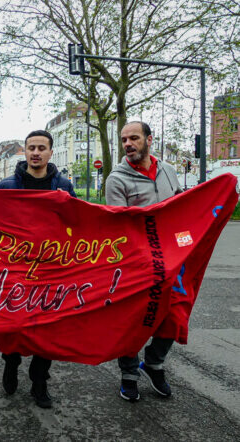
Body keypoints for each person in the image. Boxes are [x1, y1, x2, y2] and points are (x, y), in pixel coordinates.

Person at [0, 129, 77, 409]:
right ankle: (11, 362)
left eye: (42, 148)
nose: (36, 152)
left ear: (50, 152)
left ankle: (39, 379)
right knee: (13, 324)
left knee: (48, 328)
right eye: (31, 147)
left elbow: (77, 225)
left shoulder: (64, 187)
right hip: (16, 268)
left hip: (51, 270)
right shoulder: (7, 186)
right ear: (25, 151)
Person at [105, 121, 182, 402]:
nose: (128, 144)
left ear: (149, 140)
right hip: (136, 262)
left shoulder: (169, 170)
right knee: (134, 320)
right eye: (124, 139)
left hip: (172, 258)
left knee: (174, 315)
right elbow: (118, 227)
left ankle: (153, 363)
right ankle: (129, 375)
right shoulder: (116, 179)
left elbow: (179, 207)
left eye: (134, 138)